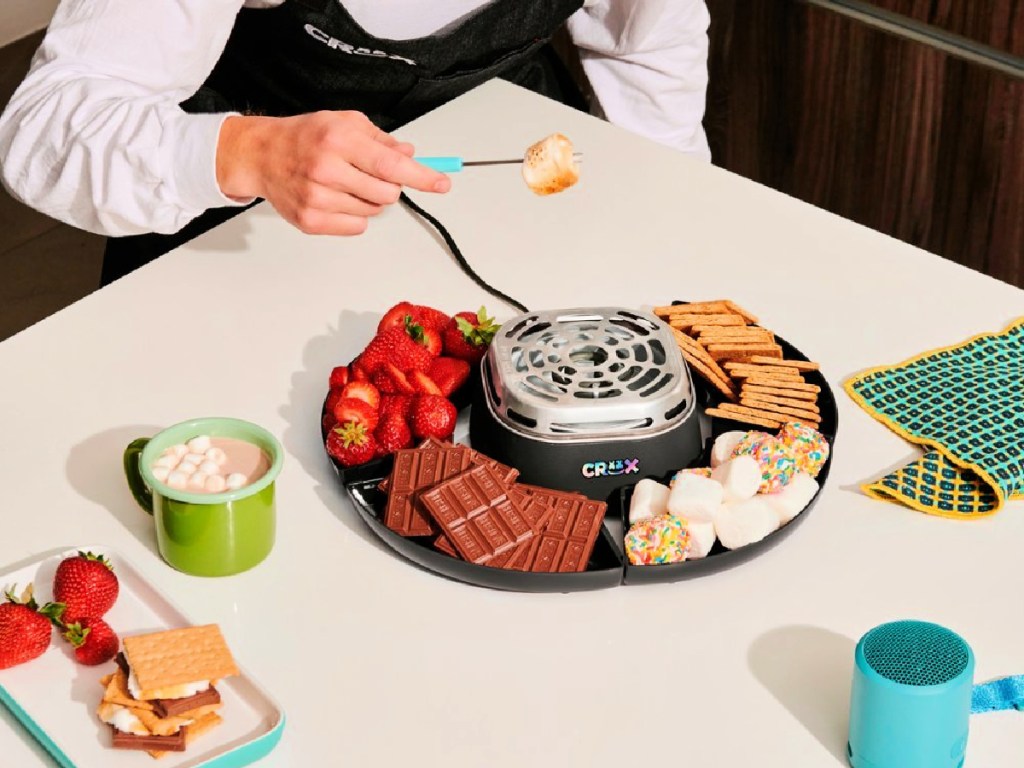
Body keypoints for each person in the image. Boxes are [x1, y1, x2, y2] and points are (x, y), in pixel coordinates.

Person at [0, 0, 712, 284]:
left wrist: (674, 229)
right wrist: (248, 153)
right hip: (237, 218)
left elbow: (651, 45)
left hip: (500, 195)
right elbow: (46, 126)